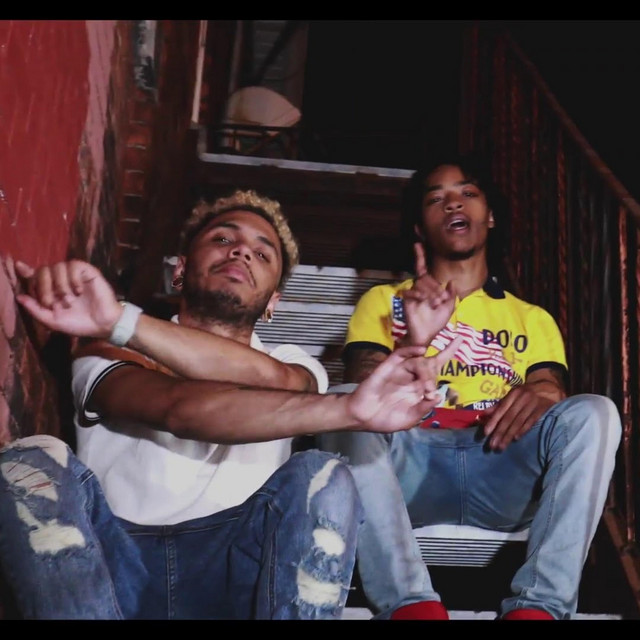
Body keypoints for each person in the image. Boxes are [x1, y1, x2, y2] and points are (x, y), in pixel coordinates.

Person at [0, 189, 459, 620]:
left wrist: (121, 320)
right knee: (32, 458)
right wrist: (117, 324)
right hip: (111, 562)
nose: (241, 252)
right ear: (180, 270)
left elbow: (275, 380)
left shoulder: (295, 367)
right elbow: (179, 409)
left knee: (323, 475)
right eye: (223, 239)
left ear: (273, 302)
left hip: (237, 576)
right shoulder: (110, 344)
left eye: (263, 253)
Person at [318, 153, 622, 620]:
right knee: (341, 403)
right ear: (419, 227)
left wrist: (544, 393)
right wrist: (415, 346)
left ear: (489, 216)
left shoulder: (532, 317)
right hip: (410, 464)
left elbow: (549, 386)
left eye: (467, 193)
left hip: (502, 464)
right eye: (435, 198)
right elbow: (362, 389)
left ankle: (538, 608)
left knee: (595, 411)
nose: (453, 203)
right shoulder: (384, 300)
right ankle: (410, 606)